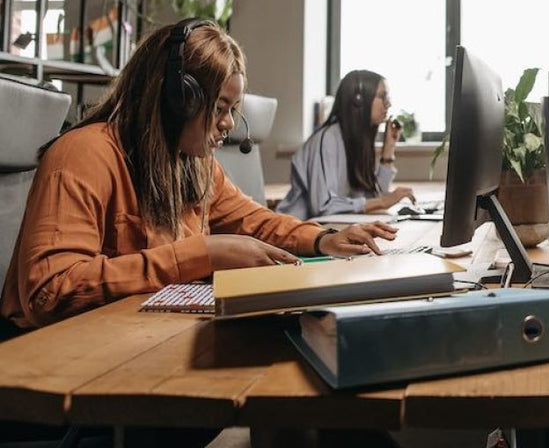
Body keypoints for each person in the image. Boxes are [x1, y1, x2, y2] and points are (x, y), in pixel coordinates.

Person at [1, 19, 398, 331]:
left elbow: (254, 221)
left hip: (133, 335)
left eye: (232, 110)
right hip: (55, 357)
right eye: (220, 108)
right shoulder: (84, 154)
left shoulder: (193, 163)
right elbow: (50, 291)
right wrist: (202, 255)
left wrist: (323, 239)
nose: (228, 124)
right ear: (178, 100)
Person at [277, 69, 415, 220]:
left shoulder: (357, 140)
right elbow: (324, 206)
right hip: (295, 229)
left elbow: (374, 197)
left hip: (328, 226)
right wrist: (383, 202)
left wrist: (389, 147)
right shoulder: (327, 139)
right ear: (358, 100)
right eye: (382, 96)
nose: (388, 103)